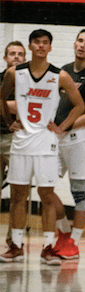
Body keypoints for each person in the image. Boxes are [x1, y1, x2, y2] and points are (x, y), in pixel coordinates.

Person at [0, 29, 85, 265]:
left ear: (50, 47)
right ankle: (16, 245)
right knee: (18, 195)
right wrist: (9, 122)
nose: (40, 46)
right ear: (30, 45)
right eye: (37, 42)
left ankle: (48, 247)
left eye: (45, 43)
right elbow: (1, 98)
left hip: (46, 142)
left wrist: (61, 127)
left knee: (46, 195)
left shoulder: (60, 76)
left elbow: (79, 105)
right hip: (21, 141)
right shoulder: (14, 73)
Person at [51, 29, 85, 261]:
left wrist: (68, 126)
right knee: (45, 187)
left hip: (77, 139)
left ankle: (74, 241)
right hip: (57, 138)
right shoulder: (63, 71)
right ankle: (63, 231)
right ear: (74, 43)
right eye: (80, 40)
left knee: (78, 192)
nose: (82, 45)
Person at [1, 41, 27, 246]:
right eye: (12, 53)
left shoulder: (30, 82)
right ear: (5, 58)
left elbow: (28, 106)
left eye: (20, 54)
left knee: (18, 192)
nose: (16, 57)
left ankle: (14, 239)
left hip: (17, 140)